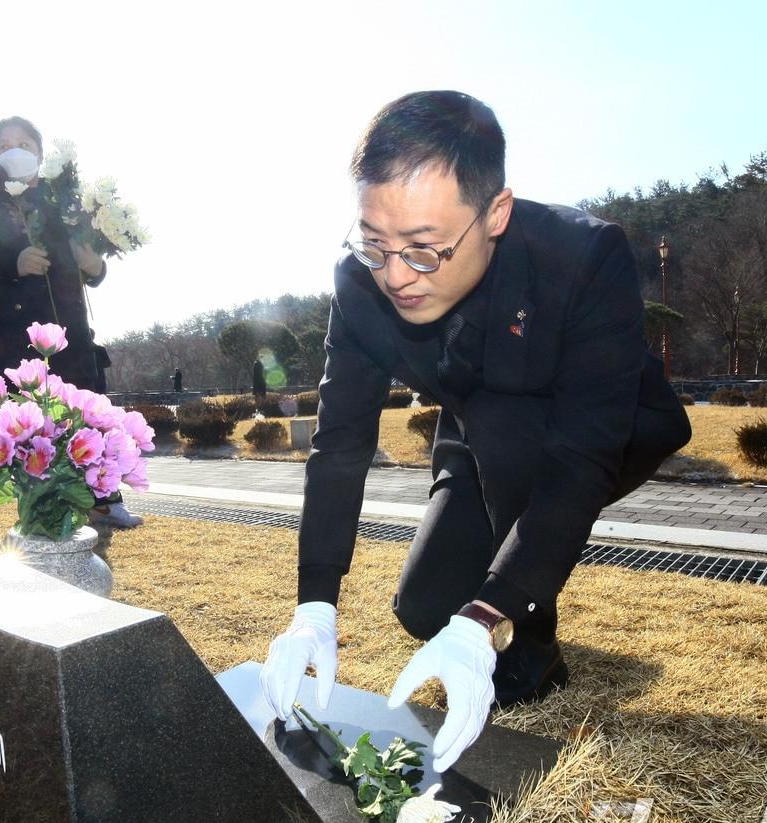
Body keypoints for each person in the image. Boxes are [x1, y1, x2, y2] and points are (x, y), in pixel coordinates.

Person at [260, 91, 690, 773]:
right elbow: (340, 442)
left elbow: (580, 456)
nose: (396, 275)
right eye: (375, 242)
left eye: (424, 250)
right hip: (475, 428)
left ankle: (532, 640)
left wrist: (489, 613)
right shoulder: (360, 285)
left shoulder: (584, 257)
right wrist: (314, 605)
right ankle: (497, 599)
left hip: (594, 429)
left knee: (503, 459)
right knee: (425, 605)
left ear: (495, 214)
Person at [0, 115, 106, 387]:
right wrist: (14, 263)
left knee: (74, 425)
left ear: (40, 154)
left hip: (68, 340)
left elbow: (93, 257)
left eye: (23, 144)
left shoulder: (65, 196)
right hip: (8, 340)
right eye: (4, 146)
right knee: (16, 424)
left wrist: (95, 266)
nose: (14, 151)